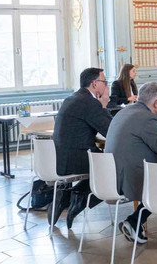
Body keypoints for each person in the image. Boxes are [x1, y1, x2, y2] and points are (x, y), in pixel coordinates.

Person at [104, 82, 157, 244]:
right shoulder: (149, 118)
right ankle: (135, 221)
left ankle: (135, 221)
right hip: (129, 179)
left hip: (110, 175)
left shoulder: (124, 112)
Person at [51, 67, 113, 228]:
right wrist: (104, 105)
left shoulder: (73, 98)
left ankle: (67, 195)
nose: (106, 85)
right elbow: (111, 131)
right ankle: (78, 199)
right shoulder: (89, 102)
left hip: (60, 157)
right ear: (94, 84)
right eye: (104, 82)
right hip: (77, 158)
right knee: (115, 170)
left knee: (107, 164)